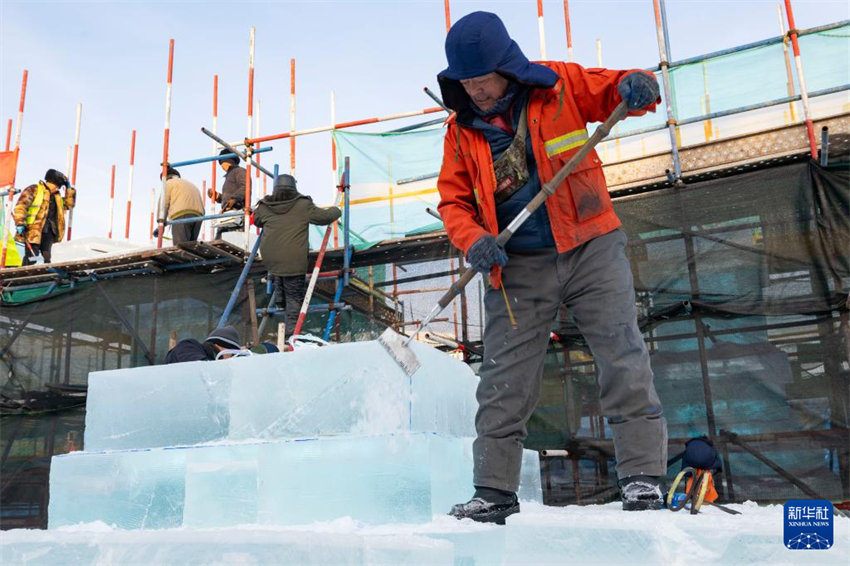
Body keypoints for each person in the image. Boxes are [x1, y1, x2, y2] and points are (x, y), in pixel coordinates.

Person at [436, 12, 668, 523]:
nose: (475, 90)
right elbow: (454, 202)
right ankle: (494, 491)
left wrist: (638, 85)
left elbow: (613, 91)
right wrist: (474, 241)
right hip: (516, 265)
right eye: (466, 81)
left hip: (590, 244)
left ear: (508, 67)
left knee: (622, 355)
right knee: (503, 377)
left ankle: (642, 479)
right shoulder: (459, 133)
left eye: (483, 79)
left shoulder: (557, 85)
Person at [252, 174, 341, 343]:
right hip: (293, 259)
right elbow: (324, 217)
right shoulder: (302, 204)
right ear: (294, 187)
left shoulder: (264, 206)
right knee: (294, 296)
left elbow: (255, 220)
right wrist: (337, 210)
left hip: (270, 258)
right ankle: (291, 335)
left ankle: (279, 299)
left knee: (279, 268)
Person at [12, 168, 76, 265]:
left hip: (50, 231)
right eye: (57, 185)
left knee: (47, 258)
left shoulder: (57, 198)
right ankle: (27, 275)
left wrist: (69, 189)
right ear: (49, 182)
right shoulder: (35, 189)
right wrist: (20, 222)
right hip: (34, 230)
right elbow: (21, 206)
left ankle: (44, 276)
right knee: (32, 256)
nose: (58, 188)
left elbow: (69, 204)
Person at [155, 166, 204, 244]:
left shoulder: (168, 183)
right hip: (198, 216)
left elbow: (163, 204)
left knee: (180, 247)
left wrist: (161, 224)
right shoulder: (191, 184)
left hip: (181, 215)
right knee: (191, 247)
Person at [210, 149, 247, 239]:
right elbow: (229, 195)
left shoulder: (239, 171)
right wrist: (218, 197)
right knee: (220, 242)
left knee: (233, 241)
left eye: (222, 163)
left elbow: (245, 187)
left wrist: (234, 199)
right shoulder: (230, 175)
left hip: (236, 212)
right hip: (227, 213)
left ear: (228, 161)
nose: (221, 167)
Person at [165, 325, 243, 364]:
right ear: (221, 347)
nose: (231, 359)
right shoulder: (189, 346)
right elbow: (199, 367)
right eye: (232, 354)